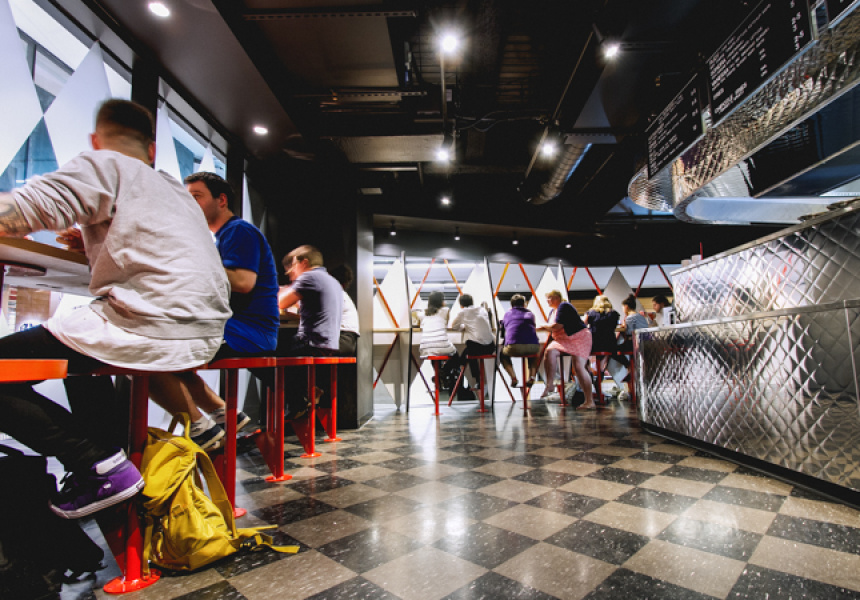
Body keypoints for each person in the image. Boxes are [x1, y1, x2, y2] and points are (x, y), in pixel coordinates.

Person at [0, 99, 231, 518]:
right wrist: (92, 238)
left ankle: (98, 463)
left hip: (147, 323)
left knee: (55, 347)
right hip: (204, 332)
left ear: (95, 141)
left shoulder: (104, 164)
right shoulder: (174, 191)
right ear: (152, 149)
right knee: (81, 348)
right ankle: (113, 461)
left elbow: (22, 213)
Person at [148, 172, 279, 450]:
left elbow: (243, 282)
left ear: (221, 200)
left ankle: (202, 430)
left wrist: (191, 264)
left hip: (245, 331)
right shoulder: (222, 237)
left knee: (147, 354)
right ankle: (223, 416)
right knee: (167, 356)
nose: (190, 204)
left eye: (196, 196)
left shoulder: (238, 231)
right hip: (236, 327)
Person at [277, 245, 343, 417]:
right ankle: (308, 390)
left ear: (303, 263)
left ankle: (297, 399)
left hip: (311, 342)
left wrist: (283, 290)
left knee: (263, 354)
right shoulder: (331, 280)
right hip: (328, 344)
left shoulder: (309, 277)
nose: (290, 274)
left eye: (291, 268)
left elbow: (279, 303)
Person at [538, 290, 595, 409]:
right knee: (550, 351)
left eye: (550, 298)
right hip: (563, 340)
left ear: (557, 298)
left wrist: (543, 326)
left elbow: (557, 326)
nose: (548, 300)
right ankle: (550, 384)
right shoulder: (552, 312)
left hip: (578, 337)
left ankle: (589, 401)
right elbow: (552, 328)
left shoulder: (564, 306)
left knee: (579, 367)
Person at [414, 291, 458, 391]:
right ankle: (443, 373)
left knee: (434, 354)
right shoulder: (446, 310)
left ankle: (439, 377)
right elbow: (446, 324)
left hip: (425, 347)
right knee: (456, 356)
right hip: (442, 344)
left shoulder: (422, 313)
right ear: (441, 301)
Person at [450, 294, 496, 390]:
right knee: (468, 350)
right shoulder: (482, 310)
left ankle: (474, 377)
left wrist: (463, 327)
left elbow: (454, 326)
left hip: (477, 349)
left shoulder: (463, 312)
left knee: (469, 348)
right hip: (491, 347)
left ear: (461, 305)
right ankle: (475, 378)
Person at [498, 294, 539, 388]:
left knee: (503, 355)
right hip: (533, 347)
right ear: (524, 304)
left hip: (514, 347)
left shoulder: (508, 314)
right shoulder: (531, 314)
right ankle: (532, 376)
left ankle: (513, 377)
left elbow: (503, 329)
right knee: (533, 354)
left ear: (511, 304)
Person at [584, 295, 621, 389]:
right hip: (609, 343)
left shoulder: (590, 313)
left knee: (581, 354)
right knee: (606, 355)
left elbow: (583, 324)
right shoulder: (614, 314)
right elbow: (616, 326)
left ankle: (589, 371)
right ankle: (600, 373)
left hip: (594, 342)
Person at [330, 264, 359, 355]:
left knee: (299, 346)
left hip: (342, 340)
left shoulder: (337, 295)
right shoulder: (342, 295)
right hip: (347, 341)